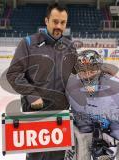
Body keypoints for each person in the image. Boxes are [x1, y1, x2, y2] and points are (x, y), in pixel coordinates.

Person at [6, 3, 77, 160]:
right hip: (36, 114)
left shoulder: (70, 47)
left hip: (61, 114)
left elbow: (76, 77)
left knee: (59, 156)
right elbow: (13, 74)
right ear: (46, 21)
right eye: (55, 21)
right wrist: (32, 96)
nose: (59, 26)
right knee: (36, 156)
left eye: (63, 23)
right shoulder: (29, 43)